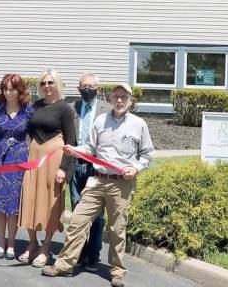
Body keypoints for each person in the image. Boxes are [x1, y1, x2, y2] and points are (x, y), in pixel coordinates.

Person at [41, 84, 155, 287]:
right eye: (116, 97)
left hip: (122, 184)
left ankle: (117, 271)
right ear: (110, 99)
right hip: (97, 180)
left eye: (124, 97)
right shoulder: (100, 121)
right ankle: (64, 264)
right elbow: (90, 148)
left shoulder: (139, 124)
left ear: (130, 100)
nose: (119, 100)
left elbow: (147, 154)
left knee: (117, 229)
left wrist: (136, 168)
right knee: (77, 220)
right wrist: (75, 150)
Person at [18, 69, 76, 268]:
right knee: (30, 199)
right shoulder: (36, 106)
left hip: (54, 160)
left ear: (57, 84)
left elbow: (72, 141)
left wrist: (64, 169)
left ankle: (46, 247)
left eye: (50, 82)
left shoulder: (65, 108)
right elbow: (29, 130)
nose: (47, 86)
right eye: (43, 83)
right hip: (35, 157)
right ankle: (32, 242)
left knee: (52, 201)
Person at [0, 74, 33, 260]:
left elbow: (37, 135)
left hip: (19, 158)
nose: (7, 92)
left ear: (20, 90)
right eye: (4, 88)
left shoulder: (28, 111)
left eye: (12, 88)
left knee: (13, 204)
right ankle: (0, 242)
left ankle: (12, 244)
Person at [68, 72, 110, 271]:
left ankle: (93, 254)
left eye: (91, 86)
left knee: (97, 214)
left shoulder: (107, 110)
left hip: (97, 167)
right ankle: (80, 251)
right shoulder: (72, 108)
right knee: (78, 211)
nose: (87, 89)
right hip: (76, 165)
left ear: (98, 88)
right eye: (83, 86)